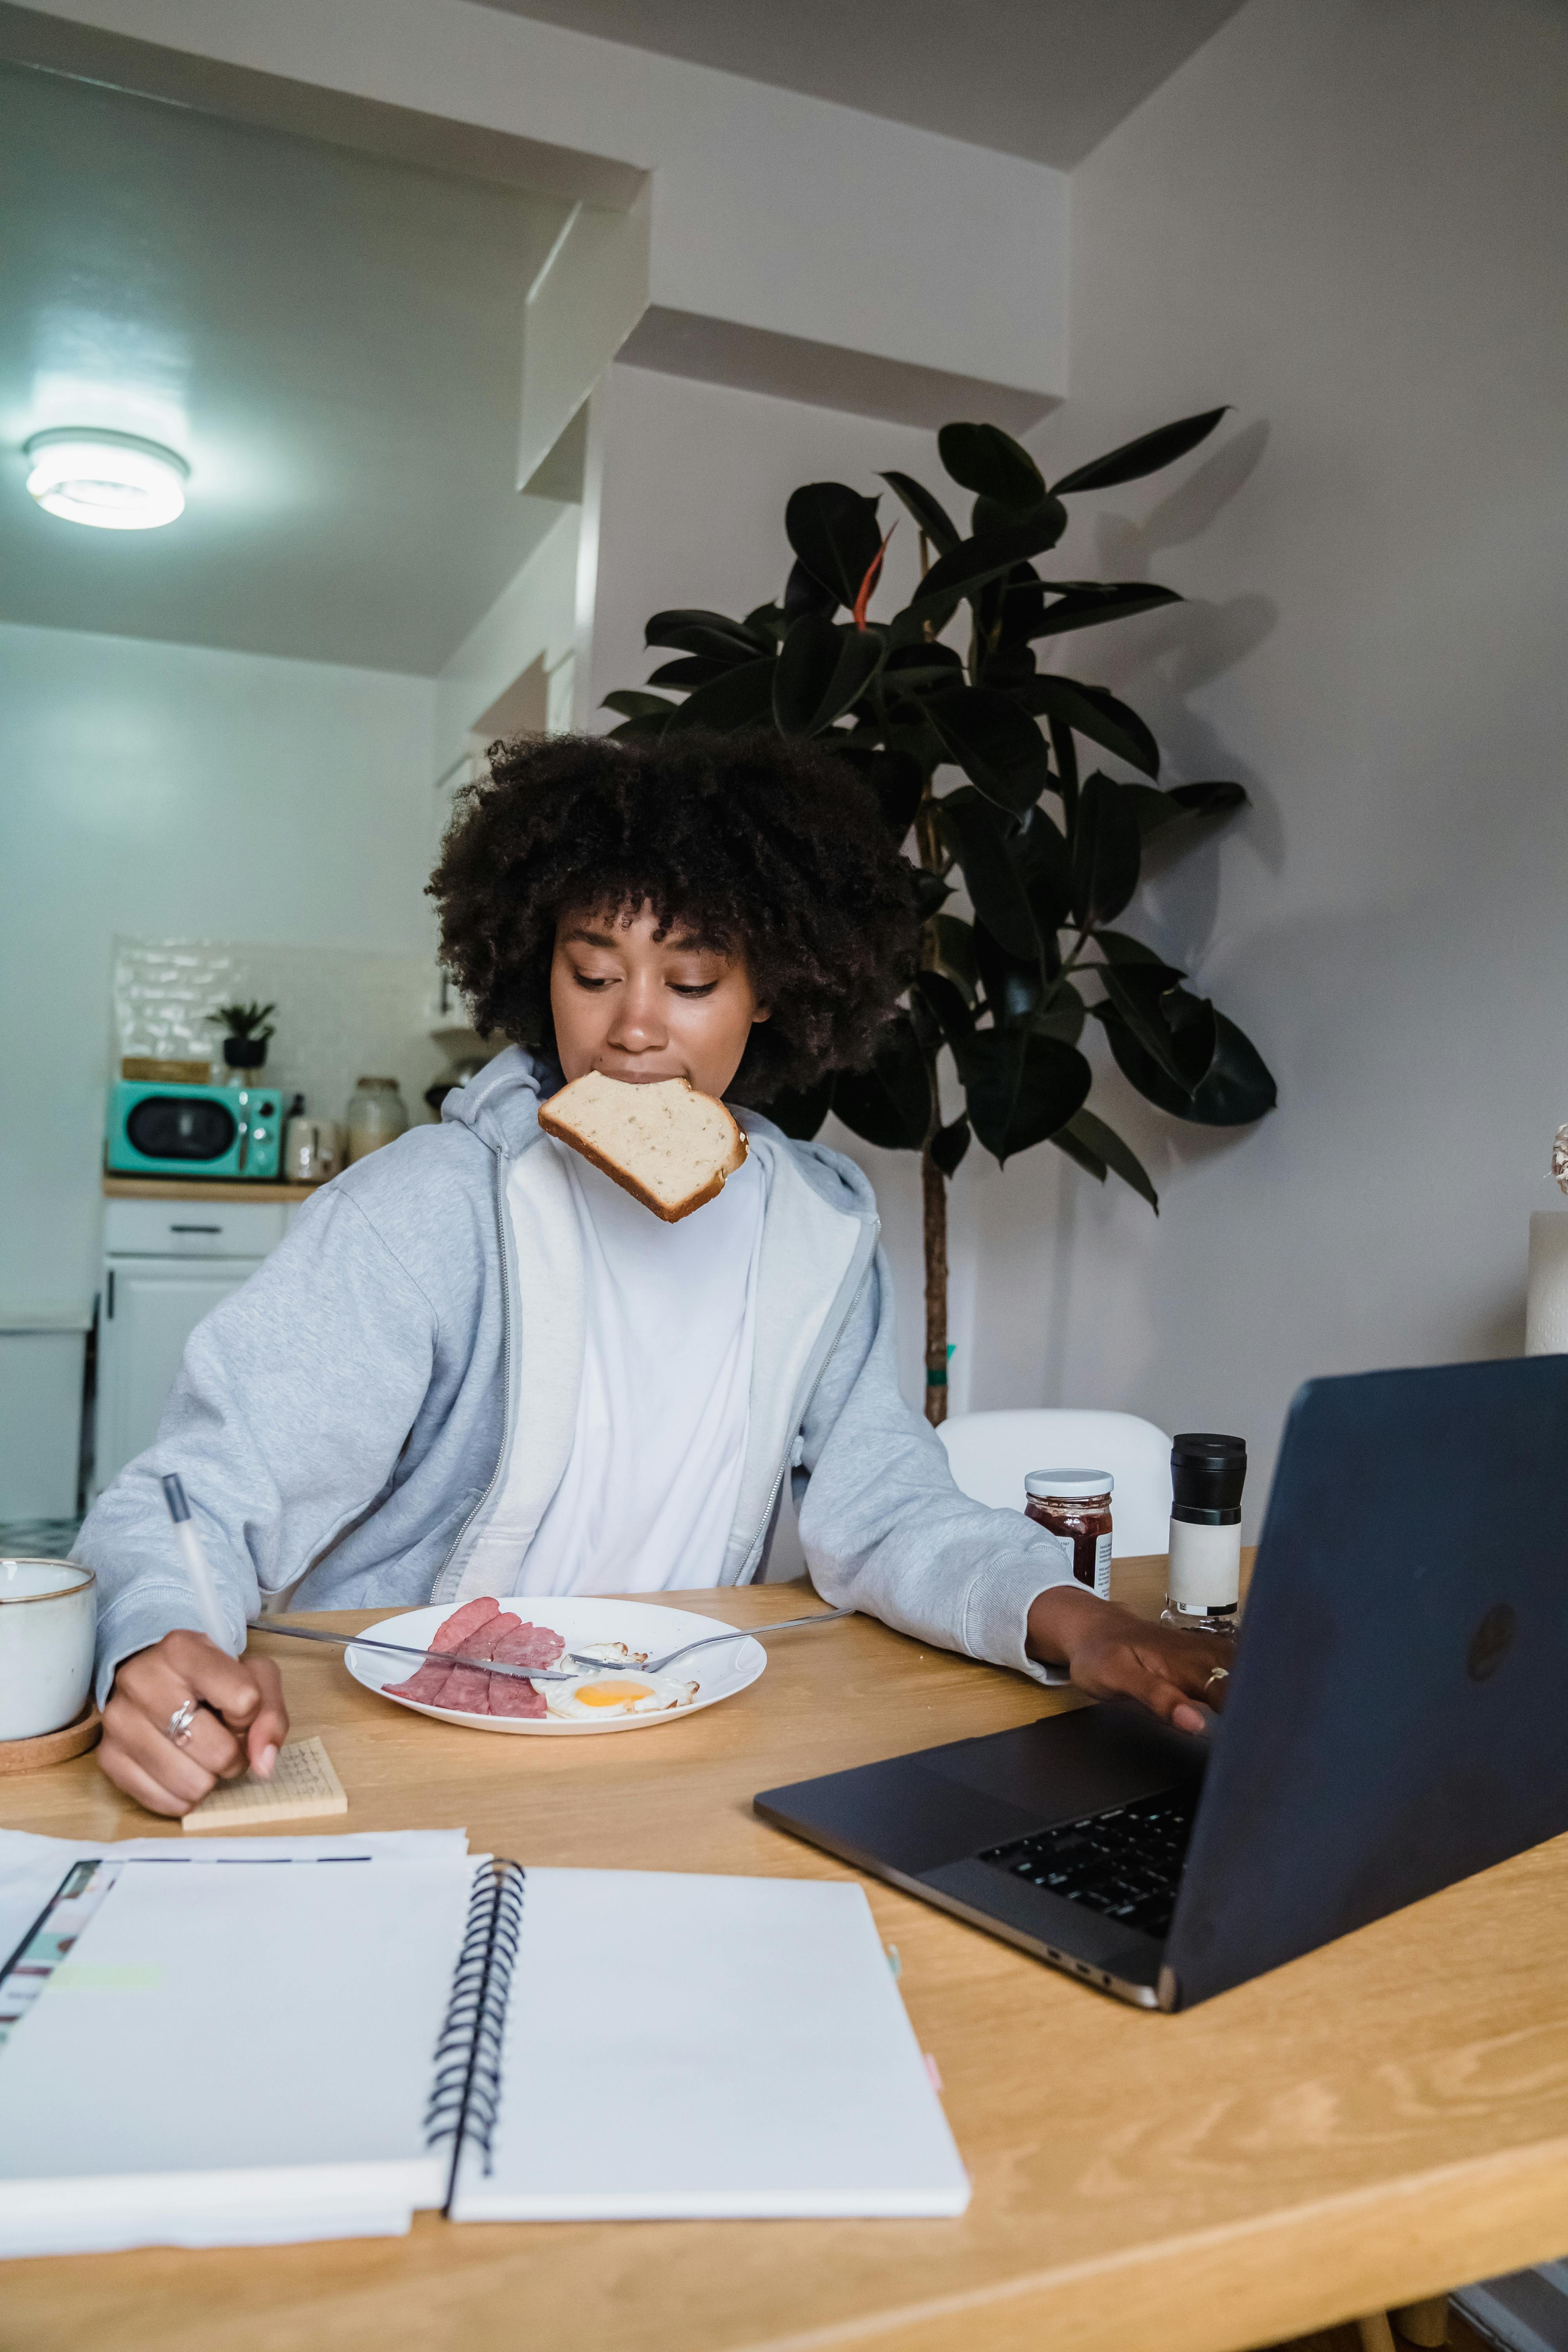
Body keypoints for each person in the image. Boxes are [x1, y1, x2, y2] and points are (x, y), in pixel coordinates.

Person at [76, 730, 1229, 1817]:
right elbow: (201, 1492)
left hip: (669, 1740)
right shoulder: (430, 1206)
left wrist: (1080, 1623)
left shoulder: (818, 1229)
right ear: (540, 969)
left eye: (690, 983)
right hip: (396, 1749)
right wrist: (155, 1641)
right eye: (593, 973)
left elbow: (885, 1511)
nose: (634, 1029)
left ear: (770, 989)